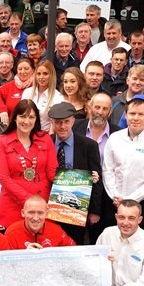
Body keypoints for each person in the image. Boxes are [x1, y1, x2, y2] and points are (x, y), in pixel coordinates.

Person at [103, 98, 144, 230]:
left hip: (143, 206)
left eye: (141, 114)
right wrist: (115, 196)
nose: (135, 118)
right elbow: (107, 171)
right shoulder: (114, 138)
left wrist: (130, 200)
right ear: (125, 115)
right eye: (132, 114)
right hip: (113, 204)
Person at [0, 100, 58, 229]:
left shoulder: (45, 138)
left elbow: (53, 173)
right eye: (22, 116)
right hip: (13, 204)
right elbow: (4, 178)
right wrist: (30, 201)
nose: (26, 121)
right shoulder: (3, 140)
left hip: (42, 203)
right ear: (15, 118)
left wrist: (79, 180)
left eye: (31, 117)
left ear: (36, 120)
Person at [49, 102, 103, 244]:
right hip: (50, 210)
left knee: (75, 245)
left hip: (77, 209)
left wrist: (95, 211)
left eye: (66, 122)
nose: (62, 126)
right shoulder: (45, 143)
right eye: (58, 122)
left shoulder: (89, 145)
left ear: (73, 121)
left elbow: (97, 179)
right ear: (52, 123)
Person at [73, 92, 120, 244]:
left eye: (105, 109)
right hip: (77, 192)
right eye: (97, 107)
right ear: (89, 108)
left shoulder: (118, 134)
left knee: (99, 241)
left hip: (105, 196)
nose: (100, 112)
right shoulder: (74, 127)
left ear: (110, 111)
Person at [5, 195, 76, 249]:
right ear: (23, 213)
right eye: (31, 212)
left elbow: (74, 251)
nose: (35, 218)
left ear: (47, 214)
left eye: (40, 213)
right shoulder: (11, 233)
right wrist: (25, 255)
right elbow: (5, 263)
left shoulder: (56, 230)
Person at [0, 56, 36, 124]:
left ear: (33, 70)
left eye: (26, 69)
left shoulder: (37, 86)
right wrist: (2, 109)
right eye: (20, 69)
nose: (23, 72)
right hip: (12, 128)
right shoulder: (11, 85)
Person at [23, 60, 65, 132]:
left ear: (51, 75)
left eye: (45, 74)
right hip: (26, 134)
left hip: (45, 137)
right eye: (38, 74)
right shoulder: (27, 92)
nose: (41, 77)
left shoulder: (58, 98)